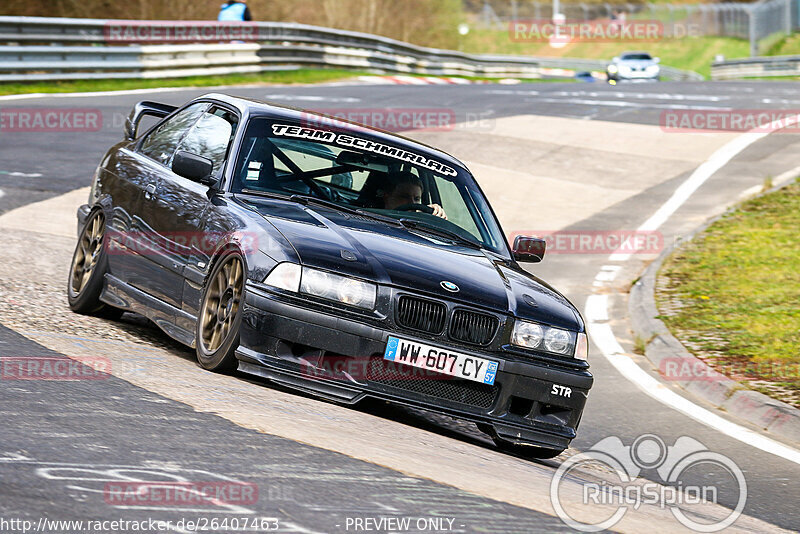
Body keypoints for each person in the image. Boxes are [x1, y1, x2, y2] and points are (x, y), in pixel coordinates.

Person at [380, 171, 448, 220]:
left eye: (416, 199)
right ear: (386, 196)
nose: (412, 203)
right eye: (405, 197)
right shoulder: (371, 217)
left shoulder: (419, 224)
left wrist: (436, 213)